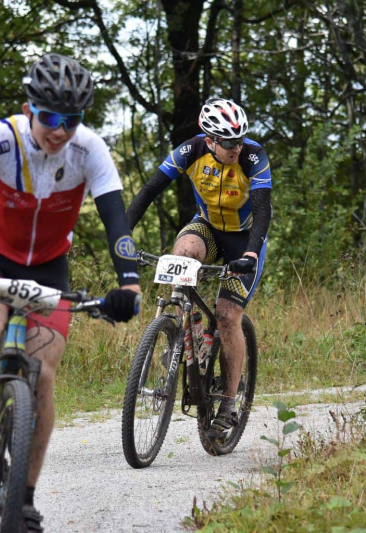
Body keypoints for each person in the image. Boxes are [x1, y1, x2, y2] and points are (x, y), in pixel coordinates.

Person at [0, 53, 141, 532]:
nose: (60, 130)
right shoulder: (1, 139)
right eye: (50, 118)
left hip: (50, 271)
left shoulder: (89, 150)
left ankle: (26, 498)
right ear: (29, 109)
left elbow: (116, 219)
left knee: (44, 375)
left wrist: (129, 284)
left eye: (71, 120)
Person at [126, 98, 271, 435]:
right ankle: (188, 337)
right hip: (207, 227)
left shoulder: (253, 156)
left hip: (244, 238)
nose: (236, 148)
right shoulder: (190, 151)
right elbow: (150, 189)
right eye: (228, 143)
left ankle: (228, 404)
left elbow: (263, 210)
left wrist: (250, 255)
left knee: (227, 316)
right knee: (183, 252)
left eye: (239, 140)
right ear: (210, 140)